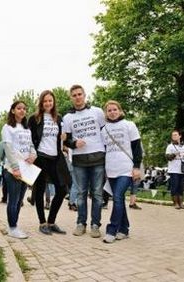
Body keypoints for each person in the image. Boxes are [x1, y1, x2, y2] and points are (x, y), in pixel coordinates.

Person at [63, 84, 106, 238]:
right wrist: (74, 144)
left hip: (98, 158)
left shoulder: (97, 112)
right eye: (74, 95)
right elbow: (65, 140)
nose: (77, 97)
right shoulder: (67, 118)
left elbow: (106, 133)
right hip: (79, 160)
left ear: (84, 95)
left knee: (97, 193)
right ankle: (81, 223)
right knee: (81, 193)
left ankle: (95, 225)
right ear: (71, 98)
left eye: (79, 94)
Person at [28, 90, 71, 235]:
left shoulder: (58, 118)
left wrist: (64, 138)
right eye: (45, 101)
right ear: (41, 102)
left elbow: (62, 137)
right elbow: (30, 139)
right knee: (40, 190)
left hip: (56, 157)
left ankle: (51, 221)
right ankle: (42, 222)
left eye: (50, 101)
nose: (47, 103)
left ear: (53, 102)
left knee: (62, 189)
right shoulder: (34, 119)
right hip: (41, 157)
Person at [100, 100, 143, 243]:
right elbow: (104, 150)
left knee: (117, 197)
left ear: (120, 110)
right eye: (109, 110)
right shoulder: (104, 129)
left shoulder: (129, 125)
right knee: (119, 200)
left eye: (114, 109)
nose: (112, 112)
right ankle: (124, 229)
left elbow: (137, 148)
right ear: (106, 113)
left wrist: (136, 167)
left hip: (126, 169)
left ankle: (112, 230)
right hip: (110, 169)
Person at [1, 101, 37, 239]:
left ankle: (14, 225)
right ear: (13, 111)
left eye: (24, 109)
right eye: (19, 108)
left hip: (26, 168)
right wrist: (15, 168)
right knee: (13, 200)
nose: (22, 111)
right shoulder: (7, 128)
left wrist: (34, 154)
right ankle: (12, 228)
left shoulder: (26, 128)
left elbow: (31, 144)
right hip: (13, 169)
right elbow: (8, 149)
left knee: (20, 200)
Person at [165, 129, 184, 209]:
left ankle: (181, 203)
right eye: (173, 135)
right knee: (175, 186)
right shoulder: (170, 146)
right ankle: (175, 203)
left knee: (181, 186)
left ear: (180, 136)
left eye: (175, 135)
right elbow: (167, 157)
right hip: (173, 170)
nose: (174, 136)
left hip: (182, 169)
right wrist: (174, 154)